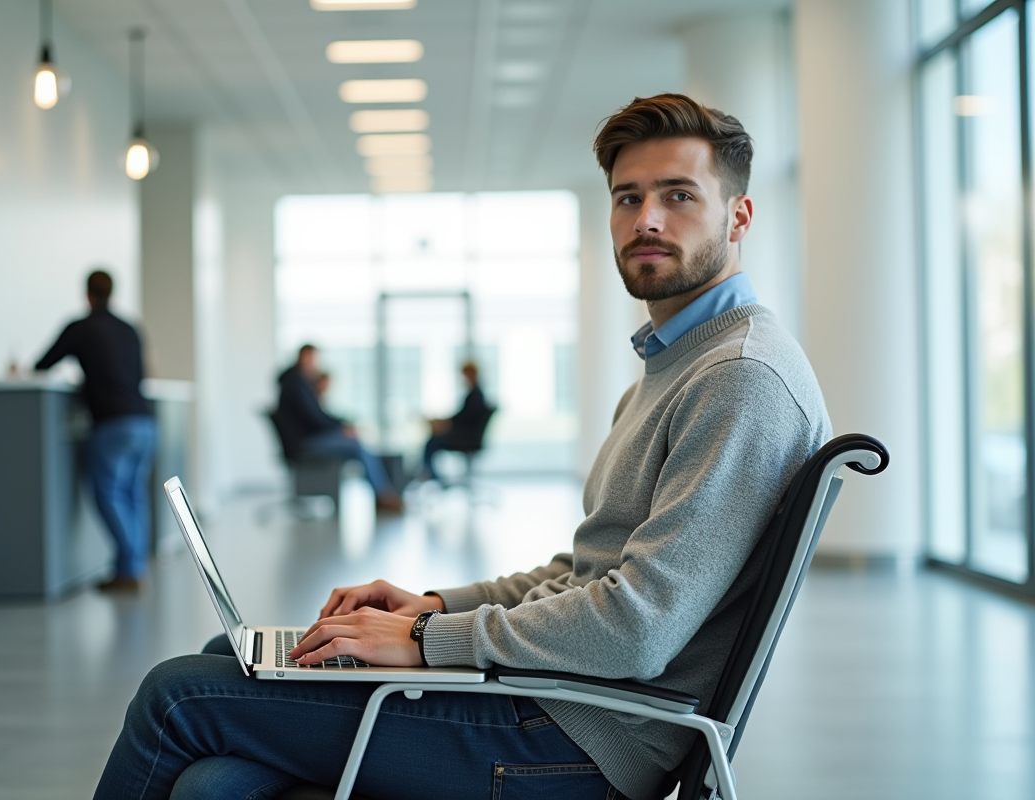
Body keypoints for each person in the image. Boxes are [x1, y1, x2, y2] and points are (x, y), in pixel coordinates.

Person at [93, 93, 832, 799]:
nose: (647, 219)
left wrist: (423, 637)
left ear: (738, 217)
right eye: (628, 197)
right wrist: (437, 603)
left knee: (176, 696)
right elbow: (585, 571)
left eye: (679, 195)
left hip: (572, 740)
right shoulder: (670, 368)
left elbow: (636, 627)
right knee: (221, 736)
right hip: (555, 698)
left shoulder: (739, 380)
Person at [35, 270, 156, 592]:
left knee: (110, 494)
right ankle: (132, 567)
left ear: (87, 294)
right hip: (144, 422)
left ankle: (129, 570)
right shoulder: (130, 328)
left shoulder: (81, 327)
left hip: (113, 424)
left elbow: (43, 365)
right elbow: (141, 374)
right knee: (133, 496)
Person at [275, 344, 404, 512]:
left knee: (355, 441)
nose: (316, 364)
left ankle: (383, 493)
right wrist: (341, 428)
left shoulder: (297, 382)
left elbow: (319, 414)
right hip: (304, 443)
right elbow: (314, 417)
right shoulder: (296, 384)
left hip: (305, 438)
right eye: (315, 359)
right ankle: (383, 495)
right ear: (306, 358)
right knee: (355, 444)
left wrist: (342, 424)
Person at [418, 360, 490, 484]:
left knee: (432, 442)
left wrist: (444, 423)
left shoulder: (475, 396)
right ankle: (430, 473)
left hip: (465, 438)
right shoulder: (474, 394)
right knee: (433, 439)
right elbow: (461, 416)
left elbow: (463, 419)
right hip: (465, 436)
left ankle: (430, 473)